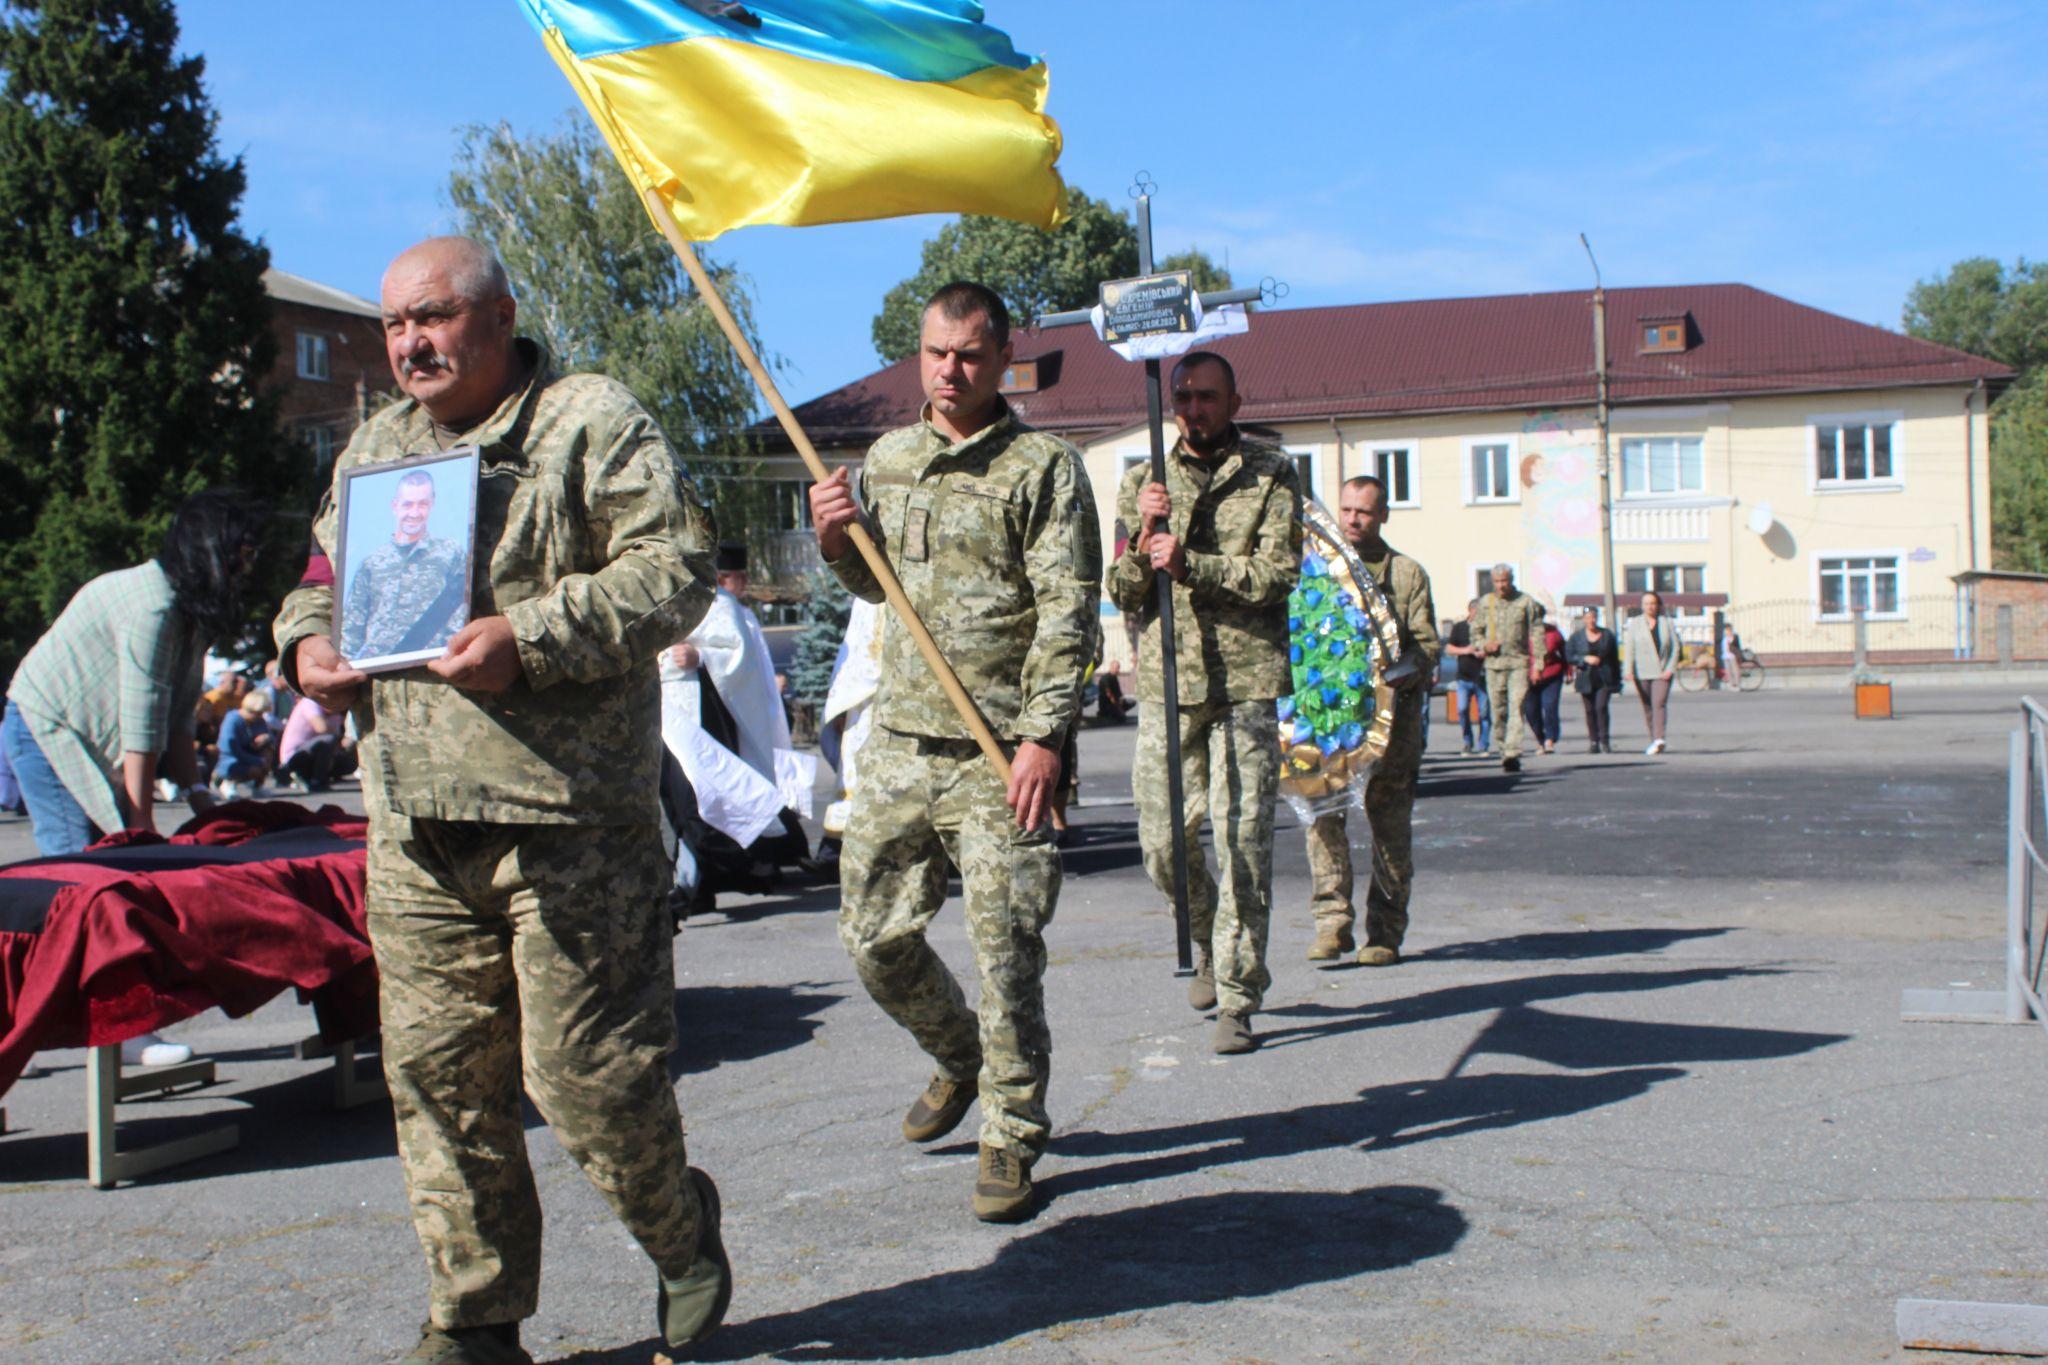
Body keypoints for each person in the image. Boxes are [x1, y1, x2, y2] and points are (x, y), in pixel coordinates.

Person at [273, 236, 730, 1361]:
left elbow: (674, 568)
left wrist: (529, 636)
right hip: (416, 828)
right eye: (394, 325)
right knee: (441, 1085)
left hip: (568, 826)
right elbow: (320, 579)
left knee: (590, 1083)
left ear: (500, 316)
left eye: (432, 316)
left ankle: (680, 1233)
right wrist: (305, 647)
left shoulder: (588, 422)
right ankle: (475, 1320)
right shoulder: (377, 448)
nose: (411, 344)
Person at [810, 280, 1099, 1223]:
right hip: (902, 741)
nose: (949, 370)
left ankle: (1011, 1129)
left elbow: (1068, 612)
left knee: (1006, 953)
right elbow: (876, 585)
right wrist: (835, 538)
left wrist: (1044, 736)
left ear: (1003, 358)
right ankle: (957, 1053)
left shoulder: (1043, 469)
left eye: (970, 355)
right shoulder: (890, 459)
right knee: (873, 939)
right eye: (936, 352)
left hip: (998, 752)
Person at [2, 488, 266, 1065]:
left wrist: (199, 795)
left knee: (107, 878)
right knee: (87, 884)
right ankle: (120, 1034)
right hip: (45, 727)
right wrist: (141, 824)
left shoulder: (189, 609)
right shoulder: (151, 606)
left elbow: (178, 714)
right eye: (242, 555)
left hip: (85, 735)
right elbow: (139, 720)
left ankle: (122, 1024)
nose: (248, 567)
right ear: (210, 551)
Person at [1111, 349, 1301, 1056]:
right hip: (1170, 685)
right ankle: (1207, 936)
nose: (1193, 409)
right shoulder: (1143, 481)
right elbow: (1123, 589)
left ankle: (1239, 994)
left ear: (1234, 401)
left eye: (1207, 396)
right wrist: (1143, 536)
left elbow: (1279, 573)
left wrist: (1193, 564)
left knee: (1242, 840)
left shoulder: (1271, 471)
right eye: (1183, 397)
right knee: (1162, 845)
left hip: (1245, 684)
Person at [1304, 476, 1437, 968]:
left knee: (1389, 830)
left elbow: (1427, 644)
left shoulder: (1406, 573)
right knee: (1323, 821)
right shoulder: (1317, 570)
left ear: (1382, 515)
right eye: (1346, 510)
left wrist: (1402, 669)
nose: (1353, 520)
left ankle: (1384, 932)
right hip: (1330, 722)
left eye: (1363, 511)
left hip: (1391, 726)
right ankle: (1331, 922)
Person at [338, 467, 468, 663]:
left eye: (422, 504)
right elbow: (351, 631)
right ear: (395, 506)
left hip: (435, 669)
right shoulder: (372, 563)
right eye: (407, 505)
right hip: (376, 671)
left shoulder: (451, 554)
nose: (414, 513)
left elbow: (459, 620)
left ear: (432, 504)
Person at [1471, 564, 1546, 772]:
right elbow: (1475, 632)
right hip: (1494, 665)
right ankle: (1503, 748)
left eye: (1504, 581)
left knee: (1516, 706)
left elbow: (1537, 633)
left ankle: (1512, 752)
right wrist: (1485, 644)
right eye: (1497, 581)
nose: (1501, 585)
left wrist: (1538, 664)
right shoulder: (1486, 603)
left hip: (1518, 663)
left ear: (1511, 580)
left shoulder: (1525, 602)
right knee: (1498, 711)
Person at [1627, 590, 1683, 754]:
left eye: (1653, 603)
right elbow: (1630, 647)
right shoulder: (1635, 623)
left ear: (1658, 605)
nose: (1650, 607)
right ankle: (1654, 740)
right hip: (1642, 672)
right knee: (1648, 706)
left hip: (1662, 672)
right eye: (1646, 603)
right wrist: (1628, 670)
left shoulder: (1667, 623)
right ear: (1642, 606)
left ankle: (1659, 738)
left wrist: (1670, 669)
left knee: (1659, 703)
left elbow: (1676, 648)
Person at [1567, 607, 1621, 753]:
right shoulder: (1577, 637)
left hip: (1604, 679)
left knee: (1601, 708)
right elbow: (1569, 655)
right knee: (1590, 710)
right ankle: (1593, 741)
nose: (1591, 620)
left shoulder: (1607, 635)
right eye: (1588, 617)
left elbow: (1614, 659)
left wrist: (1618, 681)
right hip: (1585, 679)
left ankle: (1605, 741)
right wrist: (1584, 659)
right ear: (1584, 619)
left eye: (1594, 617)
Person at [277, 695, 357, 792]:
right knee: (328, 739)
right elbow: (322, 727)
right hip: (294, 758)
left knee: (350, 759)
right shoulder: (310, 702)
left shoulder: (335, 713)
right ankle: (317, 781)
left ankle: (324, 776)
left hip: (313, 754)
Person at [1443, 597, 1490, 756]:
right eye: (1478, 611)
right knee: (1462, 710)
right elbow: (1449, 649)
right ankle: (1467, 742)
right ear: (1470, 610)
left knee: (1484, 712)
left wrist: (1485, 652)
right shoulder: (1459, 627)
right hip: (1464, 678)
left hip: (1482, 677)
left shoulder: (1487, 628)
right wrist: (1466, 651)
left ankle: (1483, 745)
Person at [212, 688, 275, 795]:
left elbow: (270, 736)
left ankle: (257, 786)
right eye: (258, 713)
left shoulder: (258, 721)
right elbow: (230, 749)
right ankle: (227, 781)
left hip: (248, 756)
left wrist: (267, 737)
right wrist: (258, 761)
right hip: (230, 760)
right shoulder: (232, 720)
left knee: (268, 749)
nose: (260, 716)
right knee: (256, 768)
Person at [1522, 609, 1566, 755]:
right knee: (1531, 711)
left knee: (1550, 706)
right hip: (1528, 677)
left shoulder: (1553, 632)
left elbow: (1564, 653)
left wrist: (1569, 672)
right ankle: (1540, 738)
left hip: (1551, 675)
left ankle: (1550, 740)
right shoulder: (1522, 633)